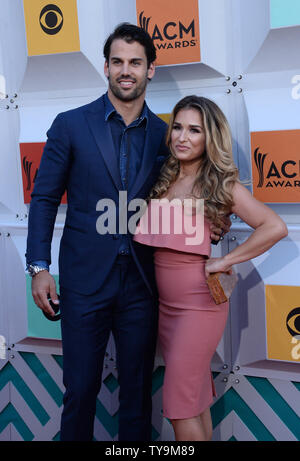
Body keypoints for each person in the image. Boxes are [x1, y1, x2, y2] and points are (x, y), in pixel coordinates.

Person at [25, 24, 228, 441]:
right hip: (83, 282)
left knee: (138, 395)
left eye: (135, 62)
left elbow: (196, 186)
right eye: (118, 61)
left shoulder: (165, 135)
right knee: (80, 390)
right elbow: (44, 199)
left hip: (143, 282)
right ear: (106, 67)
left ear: (150, 70)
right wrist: (39, 267)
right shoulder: (70, 125)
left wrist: (216, 232)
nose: (126, 70)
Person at [134, 95, 288, 441]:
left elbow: (274, 226)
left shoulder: (219, 184)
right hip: (166, 308)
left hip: (199, 306)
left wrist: (225, 260)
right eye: (177, 127)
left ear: (210, 138)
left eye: (194, 130)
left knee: (179, 404)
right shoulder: (163, 178)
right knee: (194, 399)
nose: (182, 137)